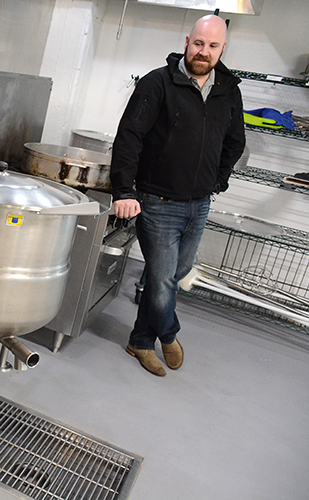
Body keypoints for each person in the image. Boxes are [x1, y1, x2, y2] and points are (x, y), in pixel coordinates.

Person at [110, 14, 246, 376]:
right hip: (157, 201)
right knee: (163, 279)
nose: (204, 52)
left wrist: (218, 179)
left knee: (171, 274)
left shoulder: (228, 90)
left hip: (199, 203)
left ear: (222, 48)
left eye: (212, 46)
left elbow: (235, 141)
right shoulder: (157, 84)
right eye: (198, 43)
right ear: (187, 41)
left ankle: (140, 341)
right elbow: (129, 138)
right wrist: (124, 189)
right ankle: (169, 335)